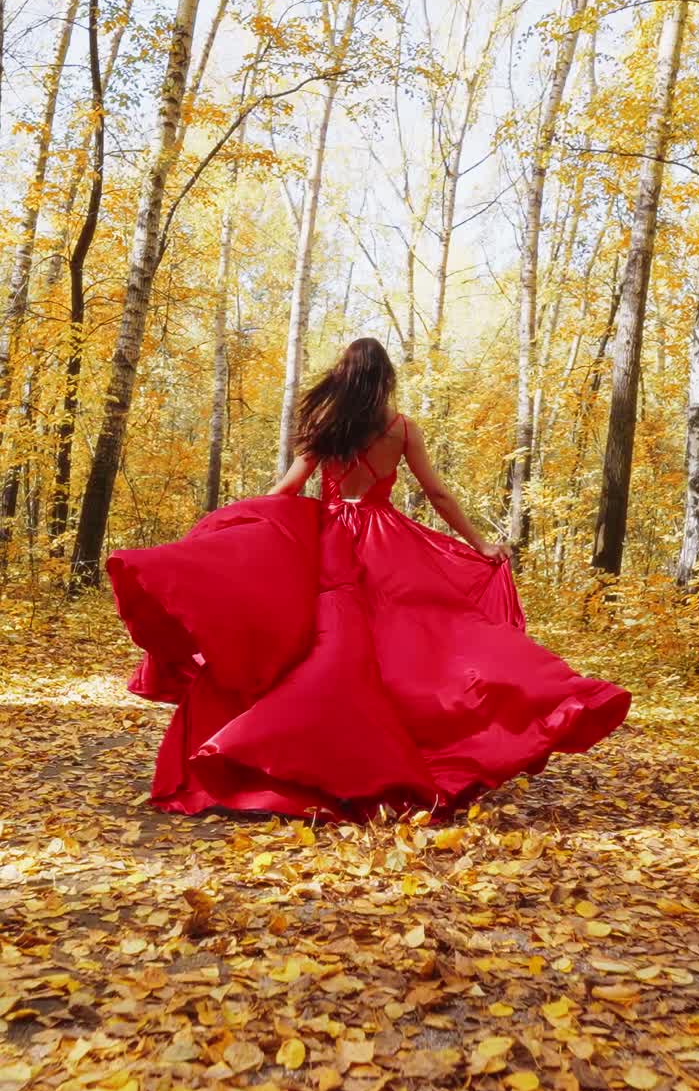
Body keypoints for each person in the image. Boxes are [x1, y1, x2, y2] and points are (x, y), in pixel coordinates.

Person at [107, 337, 631, 821]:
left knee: (310, 645)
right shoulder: (401, 428)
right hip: (387, 539)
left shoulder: (326, 423)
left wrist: (241, 527)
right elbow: (438, 494)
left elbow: (288, 489)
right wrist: (480, 544)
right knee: (418, 643)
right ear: (383, 379)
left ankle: (307, 757)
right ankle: (542, 700)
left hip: (330, 538)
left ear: (345, 375)